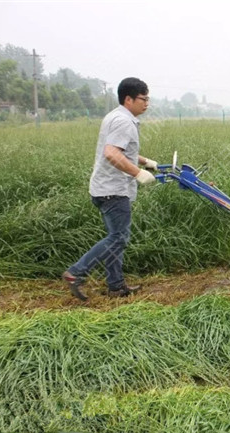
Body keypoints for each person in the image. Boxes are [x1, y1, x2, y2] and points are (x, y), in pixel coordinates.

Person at [62, 77, 158, 300]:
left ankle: (115, 285)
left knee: (116, 236)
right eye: (143, 99)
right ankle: (76, 273)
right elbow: (112, 153)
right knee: (118, 238)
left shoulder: (116, 116)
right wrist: (137, 173)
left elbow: (122, 150)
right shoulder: (124, 121)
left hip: (103, 188)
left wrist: (145, 162)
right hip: (113, 190)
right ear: (129, 99)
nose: (147, 104)